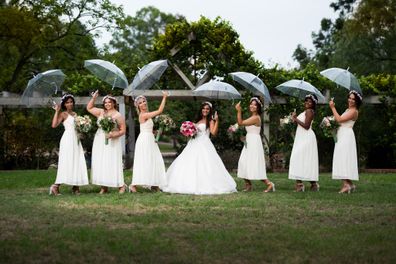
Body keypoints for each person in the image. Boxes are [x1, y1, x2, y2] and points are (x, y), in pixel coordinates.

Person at [162, 102, 237, 195]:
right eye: (204, 108)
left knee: (205, 164)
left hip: (204, 144)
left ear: (210, 111)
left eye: (207, 109)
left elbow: (213, 133)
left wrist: (217, 121)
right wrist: (188, 131)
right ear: (201, 109)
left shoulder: (211, 120)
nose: (205, 110)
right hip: (193, 143)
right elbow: (194, 132)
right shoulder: (198, 120)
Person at [87, 91, 126, 194]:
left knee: (112, 161)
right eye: (105, 102)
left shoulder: (118, 115)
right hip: (100, 139)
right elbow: (89, 108)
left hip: (112, 141)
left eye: (109, 102)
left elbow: (123, 130)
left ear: (114, 103)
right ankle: (104, 186)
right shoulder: (101, 112)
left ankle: (121, 185)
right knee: (101, 161)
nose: (107, 104)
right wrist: (94, 98)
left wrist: (113, 135)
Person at [49, 94, 89, 195]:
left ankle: (75, 187)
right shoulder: (63, 114)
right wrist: (57, 111)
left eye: (71, 102)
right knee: (66, 162)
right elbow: (54, 125)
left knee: (77, 161)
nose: (70, 104)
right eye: (67, 102)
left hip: (76, 140)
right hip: (67, 139)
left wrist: (82, 129)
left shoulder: (75, 114)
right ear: (64, 104)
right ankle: (55, 186)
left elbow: (78, 128)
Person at [129, 92, 168, 193]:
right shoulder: (143, 115)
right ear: (138, 106)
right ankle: (133, 185)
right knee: (144, 161)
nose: (143, 103)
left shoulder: (147, 116)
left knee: (153, 160)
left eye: (144, 101)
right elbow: (160, 110)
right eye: (140, 103)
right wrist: (164, 97)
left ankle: (154, 184)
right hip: (144, 140)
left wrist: (156, 132)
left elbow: (148, 129)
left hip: (150, 139)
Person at [235, 97, 275, 193]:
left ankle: (269, 184)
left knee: (253, 165)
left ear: (258, 108)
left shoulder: (256, 118)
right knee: (243, 163)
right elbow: (249, 129)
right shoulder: (252, 117)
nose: (252, 106)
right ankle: (248, 185)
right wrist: (244, 138)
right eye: (251, 104)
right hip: (249, 141)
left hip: (254, 143)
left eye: (255, 105)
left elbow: (240, 123)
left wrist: (239, 111)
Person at [330, 90, 362, 193]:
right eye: (350, 98)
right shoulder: (348, 109)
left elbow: (339, 119)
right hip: (342, 133)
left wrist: (332, 107)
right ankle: (350, 184)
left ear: (357, 101)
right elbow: (339, 121)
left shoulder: (353, 111)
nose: (351, 100)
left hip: (346, 135)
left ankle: (345, 185)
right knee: (342, 157)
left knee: (343, 158)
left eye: (353, 99)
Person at [288, 94, 319, 192]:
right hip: (301, 137)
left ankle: (300, 184)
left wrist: (296, 119)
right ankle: (313, 184)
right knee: (303, 159)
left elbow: (306, 126)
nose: (307, 103)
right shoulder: (305, 111)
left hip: (306, 137)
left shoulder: (310, 111)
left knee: (297, 158)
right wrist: (293, 119)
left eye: (309, 101)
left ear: (313, 104)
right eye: (306, 101)